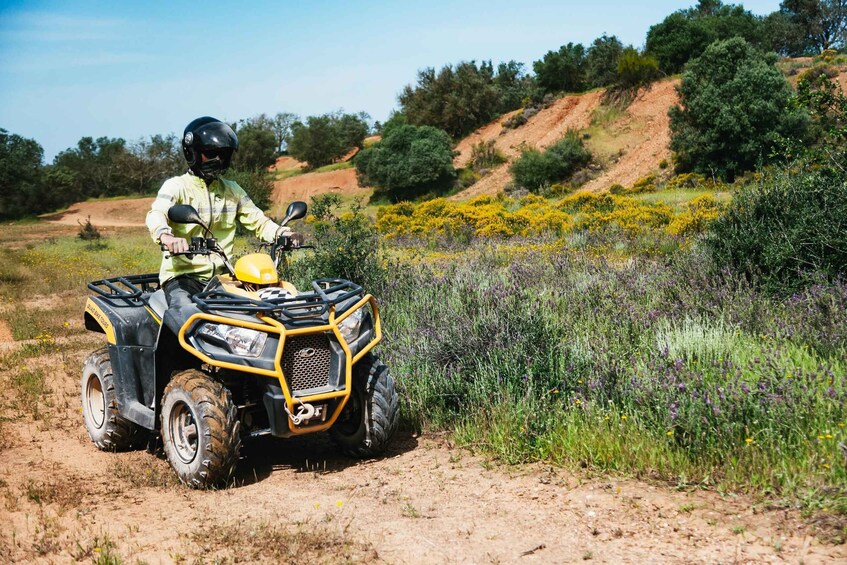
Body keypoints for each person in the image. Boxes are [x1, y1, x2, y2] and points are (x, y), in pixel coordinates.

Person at [146, 116, 289, 333]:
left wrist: (283, 233)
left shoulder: (232, 189)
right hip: (183, 276)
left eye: (223, 155)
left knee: (258, 317)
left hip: (224, 276)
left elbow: (259, 221)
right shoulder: (176, 186)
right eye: (211, 154)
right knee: (186, 318)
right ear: (192, 152)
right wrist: (167, 236)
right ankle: (182, 365)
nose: (218, 160)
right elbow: (157, 213)